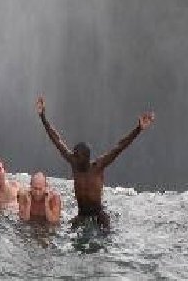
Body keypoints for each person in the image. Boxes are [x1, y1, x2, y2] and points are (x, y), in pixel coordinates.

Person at [36, 95, 154, 230]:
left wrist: (138, 129)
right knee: (69, 232)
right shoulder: (74, 163)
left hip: (98, 214)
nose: (74, 158)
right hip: (82, 214)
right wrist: (42, 117)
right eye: (74, 155)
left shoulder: (98, 166)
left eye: (78, 157)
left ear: (86, 158)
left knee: (107, 235)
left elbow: (120, 147)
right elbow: (56, 140)